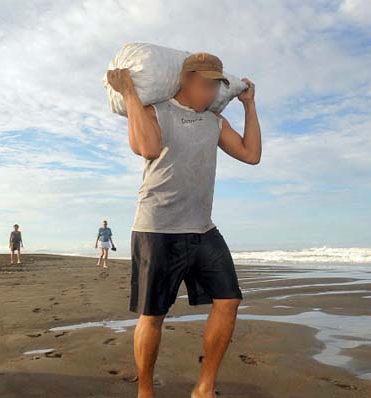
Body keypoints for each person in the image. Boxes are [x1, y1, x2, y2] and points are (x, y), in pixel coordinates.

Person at [107, 52, 261, 398]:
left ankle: (204, 386)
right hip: (158, 228)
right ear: (185, 79)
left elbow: (251, 154)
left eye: (215, 86)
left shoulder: (214, 122)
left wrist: (249, 106)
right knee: (153, 315)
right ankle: (145, 390)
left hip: (202, 228)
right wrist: (130, 92)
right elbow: (145, 146)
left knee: (229, 299)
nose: (209, 92)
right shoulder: (156, 111)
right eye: (204, 83)